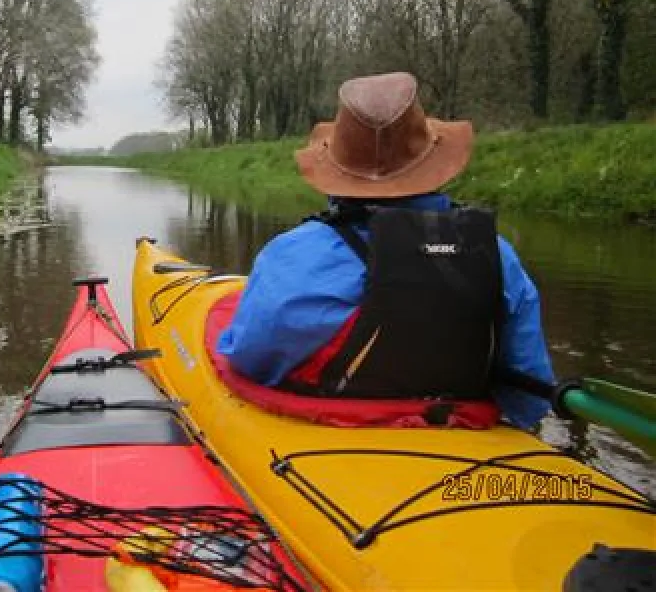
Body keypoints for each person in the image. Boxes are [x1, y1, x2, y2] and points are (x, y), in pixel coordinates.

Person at [216, 71, 555, 430]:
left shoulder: (289, 257)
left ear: (336, 166)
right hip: (457, 439)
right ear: (432, 163)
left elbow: (249, 359)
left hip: (328, 449)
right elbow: (528, 400)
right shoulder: (494, 255)